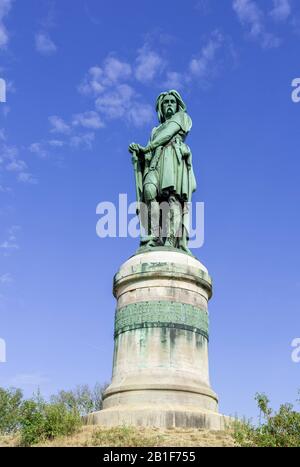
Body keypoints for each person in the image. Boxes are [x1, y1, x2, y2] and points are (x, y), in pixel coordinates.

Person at [129, 90, 197, 253]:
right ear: (161, 107)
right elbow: (149, 151)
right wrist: (139, 152)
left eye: (172, 102)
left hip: (173, 157)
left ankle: (171, 238)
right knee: (149, 192)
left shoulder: (182, 118)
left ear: (177, 105)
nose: (168, 105)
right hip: (155, 161)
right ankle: (155, 235)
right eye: (165, 102)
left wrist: (149, 147)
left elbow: (168, 133)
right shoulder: (154, 130)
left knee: (173, 198)